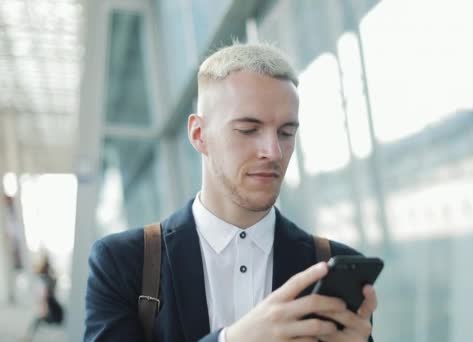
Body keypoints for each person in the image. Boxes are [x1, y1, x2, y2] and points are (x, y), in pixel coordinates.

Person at [85, 42, 378, 342]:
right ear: (199, 135)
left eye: (286, 132)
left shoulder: (330, 264)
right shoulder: (123, 262)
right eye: (249, 129)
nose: (273, 151)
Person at [23, 254, 64, 341]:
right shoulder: (50, 279)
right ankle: (27, 338)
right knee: (37, 320)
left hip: (53, 312)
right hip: (54, 309)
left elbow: (44, 296)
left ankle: (27, 338)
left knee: (37, 320)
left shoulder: (46, 280)